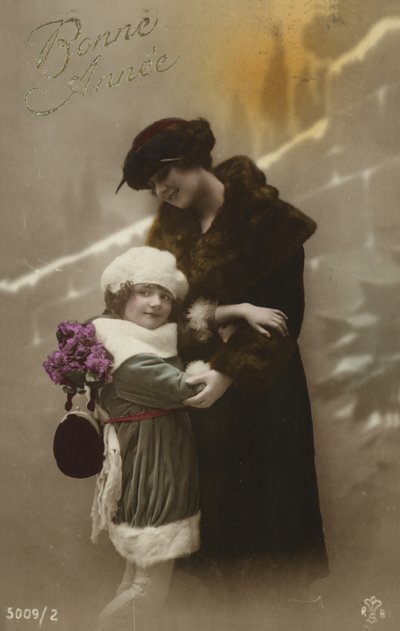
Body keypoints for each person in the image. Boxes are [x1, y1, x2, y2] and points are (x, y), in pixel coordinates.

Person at [116, 118, 329, 604]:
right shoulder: (168, 235)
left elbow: (284, 318)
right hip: (201, 394)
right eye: (151, 185)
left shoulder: (268, 221)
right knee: (218, 532)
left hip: (268, 390)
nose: (160, 190)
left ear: (193, 158)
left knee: (276, 526)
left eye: (163, 174)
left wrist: (227, 373)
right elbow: (161, 316)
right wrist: (228, 315)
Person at [89, 245, 210, 630]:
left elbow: (180, 334)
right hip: (152, 470)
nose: (156, 303)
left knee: (137, 580)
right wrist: (224, 370)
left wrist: (235, 311)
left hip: (151, 462)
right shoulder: (126, 352)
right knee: (147, 590)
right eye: (145, 292)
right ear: (121, 296)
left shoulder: (137, 337)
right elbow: (185, 387)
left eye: (165, 296)